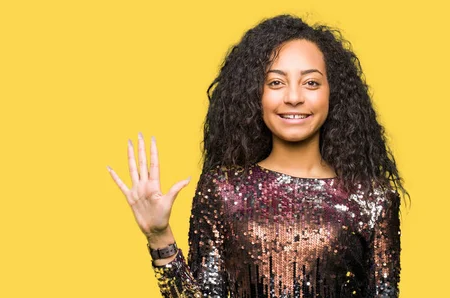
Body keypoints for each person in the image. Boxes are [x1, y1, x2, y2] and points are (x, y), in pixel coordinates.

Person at [107, 14, 407, 298]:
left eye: (311, 82)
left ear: (334, 93)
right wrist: (159, 237)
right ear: (255, 94)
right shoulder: (223, 190)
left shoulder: (373, 199)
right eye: (275, 82)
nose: (293, 96)